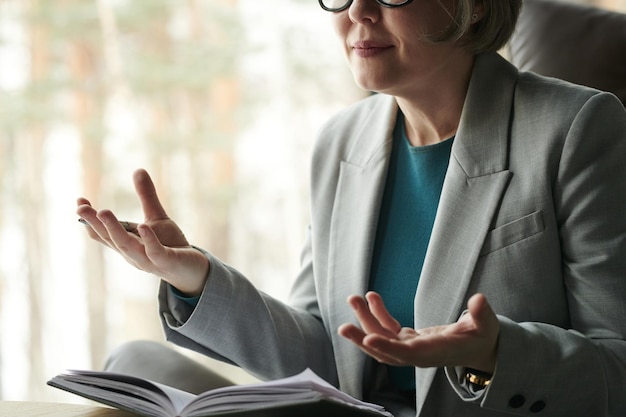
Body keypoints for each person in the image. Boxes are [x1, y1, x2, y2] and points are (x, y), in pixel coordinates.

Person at [76, 0, 626, 415]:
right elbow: (321, 351)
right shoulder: (340, 141)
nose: (358, 13)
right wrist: (193, 277)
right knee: (134, 364)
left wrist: (493, 354)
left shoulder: (577, 128)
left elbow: (617, 367)